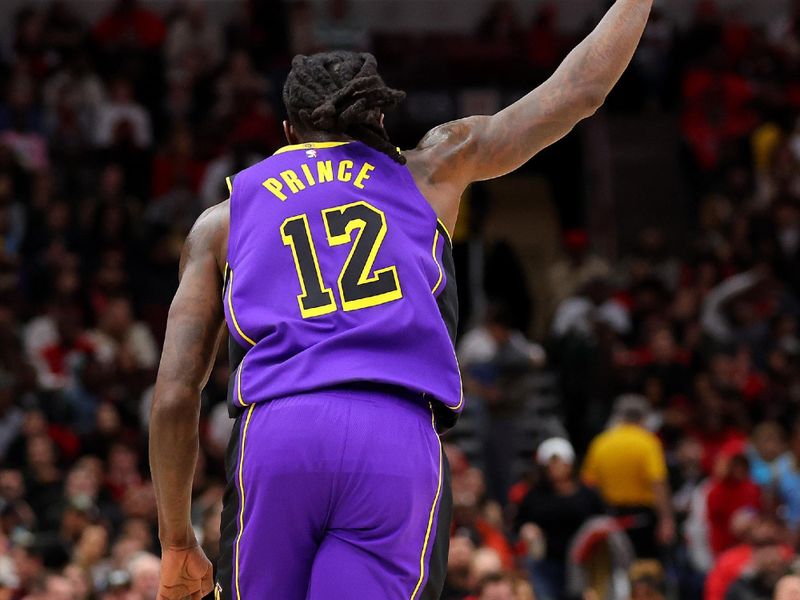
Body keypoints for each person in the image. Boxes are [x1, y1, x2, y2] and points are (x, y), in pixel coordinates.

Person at [148, 0, 656, 596]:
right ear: (379, 118)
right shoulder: (431, 169)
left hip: (279, 429)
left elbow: (175, 395)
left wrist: (177, 540)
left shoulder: (223, 220)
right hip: (394, 436)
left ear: (288, 132)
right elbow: (581, 90)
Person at [581, 395, 675, 558]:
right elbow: (657, 482)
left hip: (611, 518)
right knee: (645, 568)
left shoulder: (600, 443)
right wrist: (666, 519)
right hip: (643, 520)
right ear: (643, 417)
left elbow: (589, 483)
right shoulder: (648, 443)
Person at [515, 437, 605, 600]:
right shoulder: (535, 496)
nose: (555, 468)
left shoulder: (588, 495)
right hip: (547, 563)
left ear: (570, 463)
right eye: (550, 464)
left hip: (583, 564)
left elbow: (601, 523)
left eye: (560, 462)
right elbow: (519, 523)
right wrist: (527, 529)